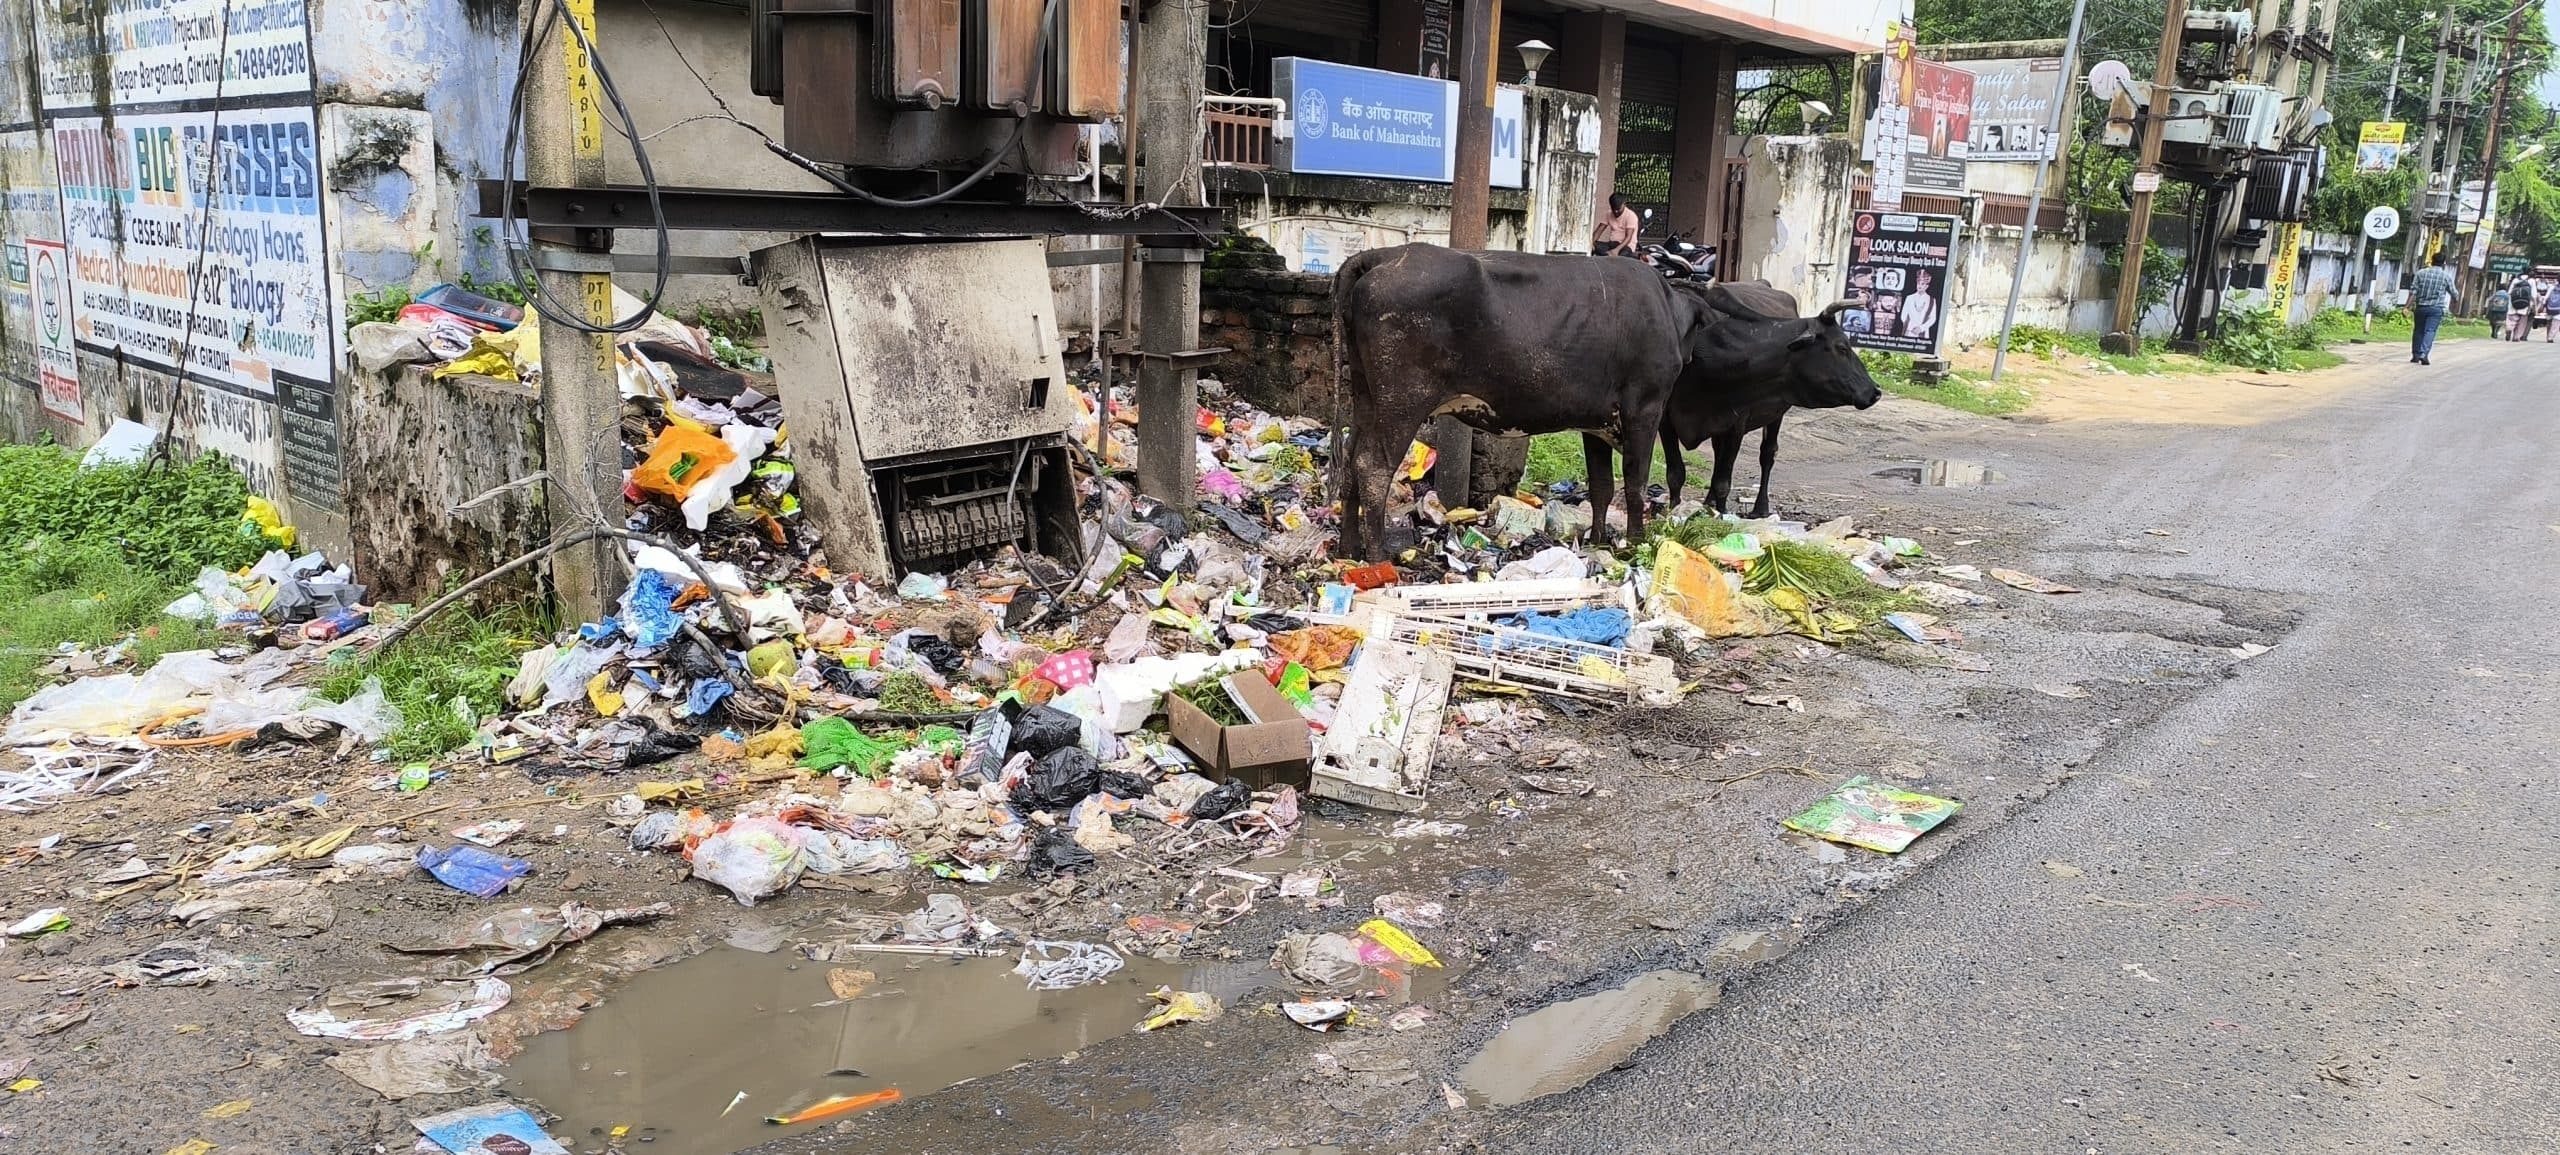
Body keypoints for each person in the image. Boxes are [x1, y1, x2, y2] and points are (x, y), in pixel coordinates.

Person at [2409, 253, 2454, 365]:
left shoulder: (2421, 273)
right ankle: (2424, 354)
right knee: (2430, 331)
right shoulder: (2446, 276)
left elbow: (2413, 292)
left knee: (2418, 330)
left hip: (2421, 307)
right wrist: (2456, 300)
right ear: (2444, 263)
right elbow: (2454, 292)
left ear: (2431, 260)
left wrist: (2406, 307)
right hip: (2436, 309)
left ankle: (2415, 355)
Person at [1592, 193, 1640, 257]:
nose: (1616, 212)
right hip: (1612, 244)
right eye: (1613, 209)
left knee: (1621, 256)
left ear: (1624, 204)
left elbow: (1628, 237)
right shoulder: (1609, 214)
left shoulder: (1631, 216)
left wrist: (1616, 250)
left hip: (1626, 246)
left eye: (1618, 209)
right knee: (1593, 247)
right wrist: (1591, 243)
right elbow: (1599, 230)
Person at [1899, 269, 1940, 341]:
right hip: (1909, 331)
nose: (1919, 286)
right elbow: (1903, 315)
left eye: (1922, 284)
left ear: (1927, 286)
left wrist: (1921, 328)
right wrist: (1911, 328)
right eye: (1918, 283)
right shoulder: (1909, 298)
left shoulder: (1931, 300)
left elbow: (1933, 318)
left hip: (1923, 332)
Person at [2507, 275, 2537, 340]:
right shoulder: (2531, 281)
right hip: (2525, 304)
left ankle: (2509, 329)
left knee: (2512, 319)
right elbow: (2534, 295)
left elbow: (2509, 292)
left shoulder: (2515, 280)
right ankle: (2516, 337)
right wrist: (2535, 306)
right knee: (2522, 321)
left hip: (2513, 303)